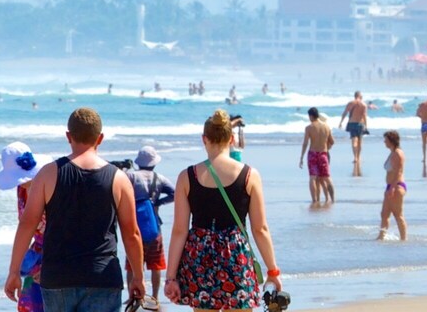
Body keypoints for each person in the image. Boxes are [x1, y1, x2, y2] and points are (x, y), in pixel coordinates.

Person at [3, 108, 148, 312]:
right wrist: (138, 278)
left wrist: (14, 271)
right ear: (100, 138)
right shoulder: (119, 179)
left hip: (58, 277)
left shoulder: (47, 174)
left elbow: (27, 223)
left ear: (68, 136)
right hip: (102, 277)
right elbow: (131, 233)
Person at [164, 110, 284, 311]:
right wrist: (273, 271)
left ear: (204, 139)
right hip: (236, 256)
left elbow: (179, 231)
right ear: (232, 139)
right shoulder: (249, 175)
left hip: (199, 258)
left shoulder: (187, 176)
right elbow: (260, 228)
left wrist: (171, 278)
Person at [0, 141, 49, 312]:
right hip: (38, 256)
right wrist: (15, 270)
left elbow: (66, 228)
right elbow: (26, 228)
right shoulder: (21, 189)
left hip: (59, 255)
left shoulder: (50, 186)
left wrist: (51, 266)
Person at [129, 147, 176, 311]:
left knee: (133, 264)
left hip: (134, 226)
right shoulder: (159, 178)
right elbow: (174, 193)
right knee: (156, 264)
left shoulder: (131, 176)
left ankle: (134, 297)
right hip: (154, 226)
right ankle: (154, 298)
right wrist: (158, 203)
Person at [300, 108, 337, 206]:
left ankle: (314, 200)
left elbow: (305, 143)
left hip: (313, 154)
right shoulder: (326, 127)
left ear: (311, 116)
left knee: (312, 177)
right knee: (327, 178)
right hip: (323, 154)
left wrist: (301, 157)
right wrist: (326, 146)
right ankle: (333, 199)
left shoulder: (309, 127)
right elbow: (332, 141)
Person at [379, 131, 408, 241]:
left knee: (398, 214)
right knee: (384, 214)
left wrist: (392, 188)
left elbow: (399, 172)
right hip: (390, 186)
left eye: (386, 140)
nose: (384, 142)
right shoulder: (392, 152)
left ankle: (404, 239)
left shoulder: (397, 153)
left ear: (391, 141)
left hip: (396, 186)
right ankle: (381, 236)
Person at [338, 92, 374, 177]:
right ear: (360, 96)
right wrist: (366, 125)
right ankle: (359, 157)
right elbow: (364, 116)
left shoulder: (351, 103)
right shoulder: (364, 104)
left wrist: (341, 122)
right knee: (360, 141)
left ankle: (355, 158)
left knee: (354, 141)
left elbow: (345, 113)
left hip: (352, 123)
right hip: (360, 124)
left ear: (355, 96)